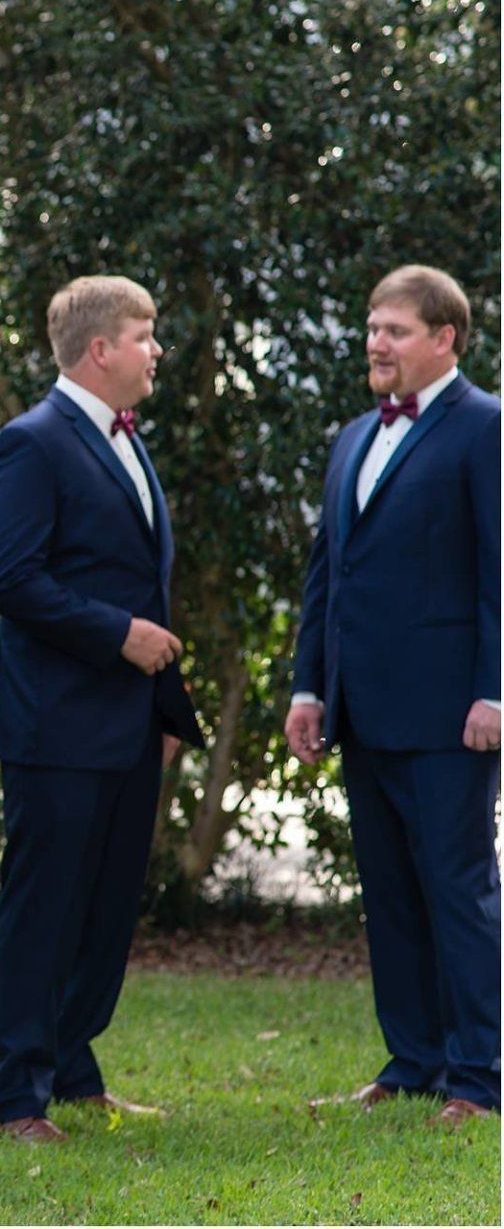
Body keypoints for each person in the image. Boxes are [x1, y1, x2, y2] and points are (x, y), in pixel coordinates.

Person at [0, 275, 204, 1142]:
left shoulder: (125, 439)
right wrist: (119, 636)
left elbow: (131, 575)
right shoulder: (31, 442)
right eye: (145, 335)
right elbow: (8, 578)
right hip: (54, 722)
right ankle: (16, 1096)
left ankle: (72, 1069)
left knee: (104, 910)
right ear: (100, 349)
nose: (156, 350)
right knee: (45, 910)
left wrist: (162, 707)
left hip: (127, 721)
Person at [287, 264, 500, 1129]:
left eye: (396, 330)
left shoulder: (486, 427)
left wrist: (496, 693)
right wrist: (309, 686)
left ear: (444, 338)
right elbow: (327, 575)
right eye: (373, 328)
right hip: (362, 709)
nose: (377, 343)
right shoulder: (352, 437)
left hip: (452, 713)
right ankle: (412, 1061)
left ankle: (480, 1075)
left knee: (458, 889)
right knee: (390, 895)